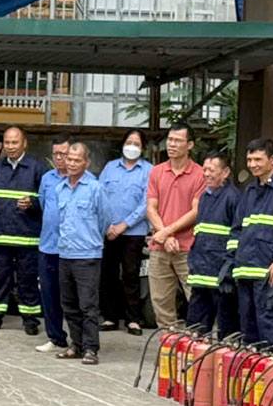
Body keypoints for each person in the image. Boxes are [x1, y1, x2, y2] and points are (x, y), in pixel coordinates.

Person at [0, 126, 47, 335]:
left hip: (27, 238)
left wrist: (32, 203)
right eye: (7, 142)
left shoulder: (37, 168)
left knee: (27, 280)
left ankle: (30, 320)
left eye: (15, 142)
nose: (11, 147)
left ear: (24, 143)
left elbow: (47, 199)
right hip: (0, 235)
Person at [228, 138, 273, 349]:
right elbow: (237, 229)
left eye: (258, 159)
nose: (252, 164)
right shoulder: (250, 191)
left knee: (270, 326)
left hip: (270, 271)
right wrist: (233, 260)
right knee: (248, 329)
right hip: (245, 270)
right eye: (249, 160)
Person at [145, 122, 206, 329]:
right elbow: (151, 208)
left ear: (190, 145)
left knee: (196, 299)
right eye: (170, 140)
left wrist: (167, 232)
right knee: (161, 303)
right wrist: (165, 235)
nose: (171, 144)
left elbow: (196, 211)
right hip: (160, 247)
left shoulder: (200, 174)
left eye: (177, 140)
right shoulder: (157, 172)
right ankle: (168, 343)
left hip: (189, 248)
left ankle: (197, 343)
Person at [55, 143, 109, 365]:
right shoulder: (60, 188)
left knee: (88, 305)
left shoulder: (95, 188)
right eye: (69, 159)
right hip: (65, 253)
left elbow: (104, 220)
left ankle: (90, 348)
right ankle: (75, 345)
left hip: (87, 255)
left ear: (87, 163)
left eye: (77, 160)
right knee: (69, 304)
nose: (71, 163)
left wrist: (91, 240)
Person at [98, 128, 153, 336]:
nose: (132, 147)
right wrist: (107, 225)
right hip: (109, 230)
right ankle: (110, 317)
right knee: (108, 275)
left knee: (131, 275)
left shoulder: (149, 171)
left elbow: (146, 203)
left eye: (136, 144)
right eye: (129, 142)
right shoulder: (110, 168)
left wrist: (124, 225)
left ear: (143, 148)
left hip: (134, 232)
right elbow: (99, 196)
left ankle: (133, 319)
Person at [185, 152, 240, 338]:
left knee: (227, 329)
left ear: (225, 172)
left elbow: (236, 235)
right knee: (195, 329)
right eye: (205, 170)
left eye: (211, 170)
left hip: (221, 275)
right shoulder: (204, 197)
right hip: (201, 272)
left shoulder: (233, 198)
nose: (206, 174)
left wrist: (228, 270)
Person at [34, 136, 72, 353]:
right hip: (48, 245)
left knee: (73, 296)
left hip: (73, 249)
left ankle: (80, 339)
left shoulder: (86, 180)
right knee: (49, 294)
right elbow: (43, 205)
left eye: (63, 154)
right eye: (55, 154)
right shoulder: (47, 178)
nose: (59, 158)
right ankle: (56, 337)